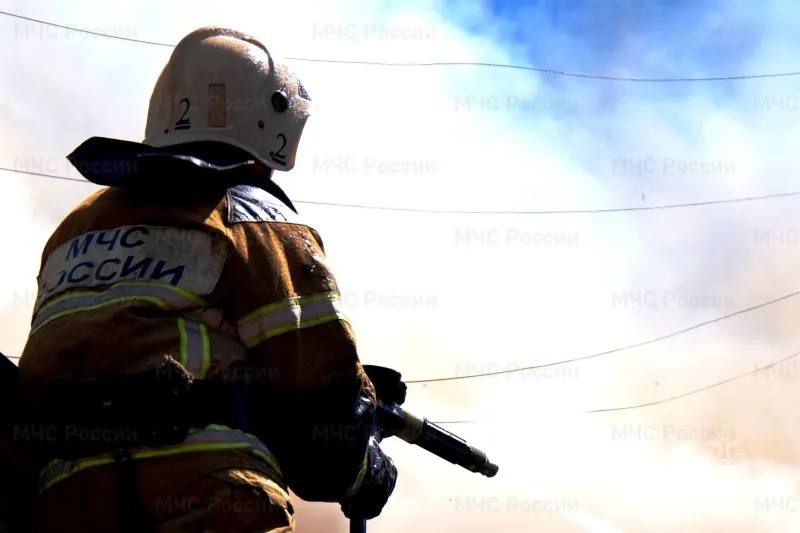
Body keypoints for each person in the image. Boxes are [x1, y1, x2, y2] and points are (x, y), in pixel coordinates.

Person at [17, 26, 397, 533]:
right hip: (212, 496)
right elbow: (321, 424)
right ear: (269, 123)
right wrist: (366, 467)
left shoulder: (76, 226)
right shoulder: (253, 214)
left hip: (64, 504)